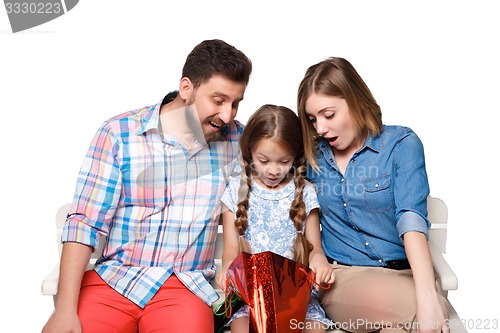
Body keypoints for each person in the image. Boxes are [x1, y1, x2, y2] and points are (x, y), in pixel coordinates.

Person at [42, 39, 252, 333]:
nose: (228, 115)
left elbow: (276, 188)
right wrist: (64, 310)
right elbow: (84, 223)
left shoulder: (237, 141)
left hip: (185, 286)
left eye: (235, 103)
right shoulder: (120, 134)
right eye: (218, 101)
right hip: (114, 281)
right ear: (187, 88)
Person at [296, 57, 449, 333]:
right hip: (345, 278)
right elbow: (265, 151)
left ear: (355, 100)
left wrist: (427, 293)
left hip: (407, 276)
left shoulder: (401, 144)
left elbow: (411, 218)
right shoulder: (312, 159)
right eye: (312, 119)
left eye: (328, 115)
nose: (319, 128)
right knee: (423, 315)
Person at [215, 104, 336, 333]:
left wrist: (319, 260)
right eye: (264, 160)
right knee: (242, 328)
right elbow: (231, 248)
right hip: (250, 296)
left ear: (295, 157)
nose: (274, 170)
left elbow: (315, 248)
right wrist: (227, 270)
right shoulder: (236, 190)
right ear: (250, 151)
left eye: (283, 161)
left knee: (315, 328)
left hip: (295, 296)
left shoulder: (304, 192)